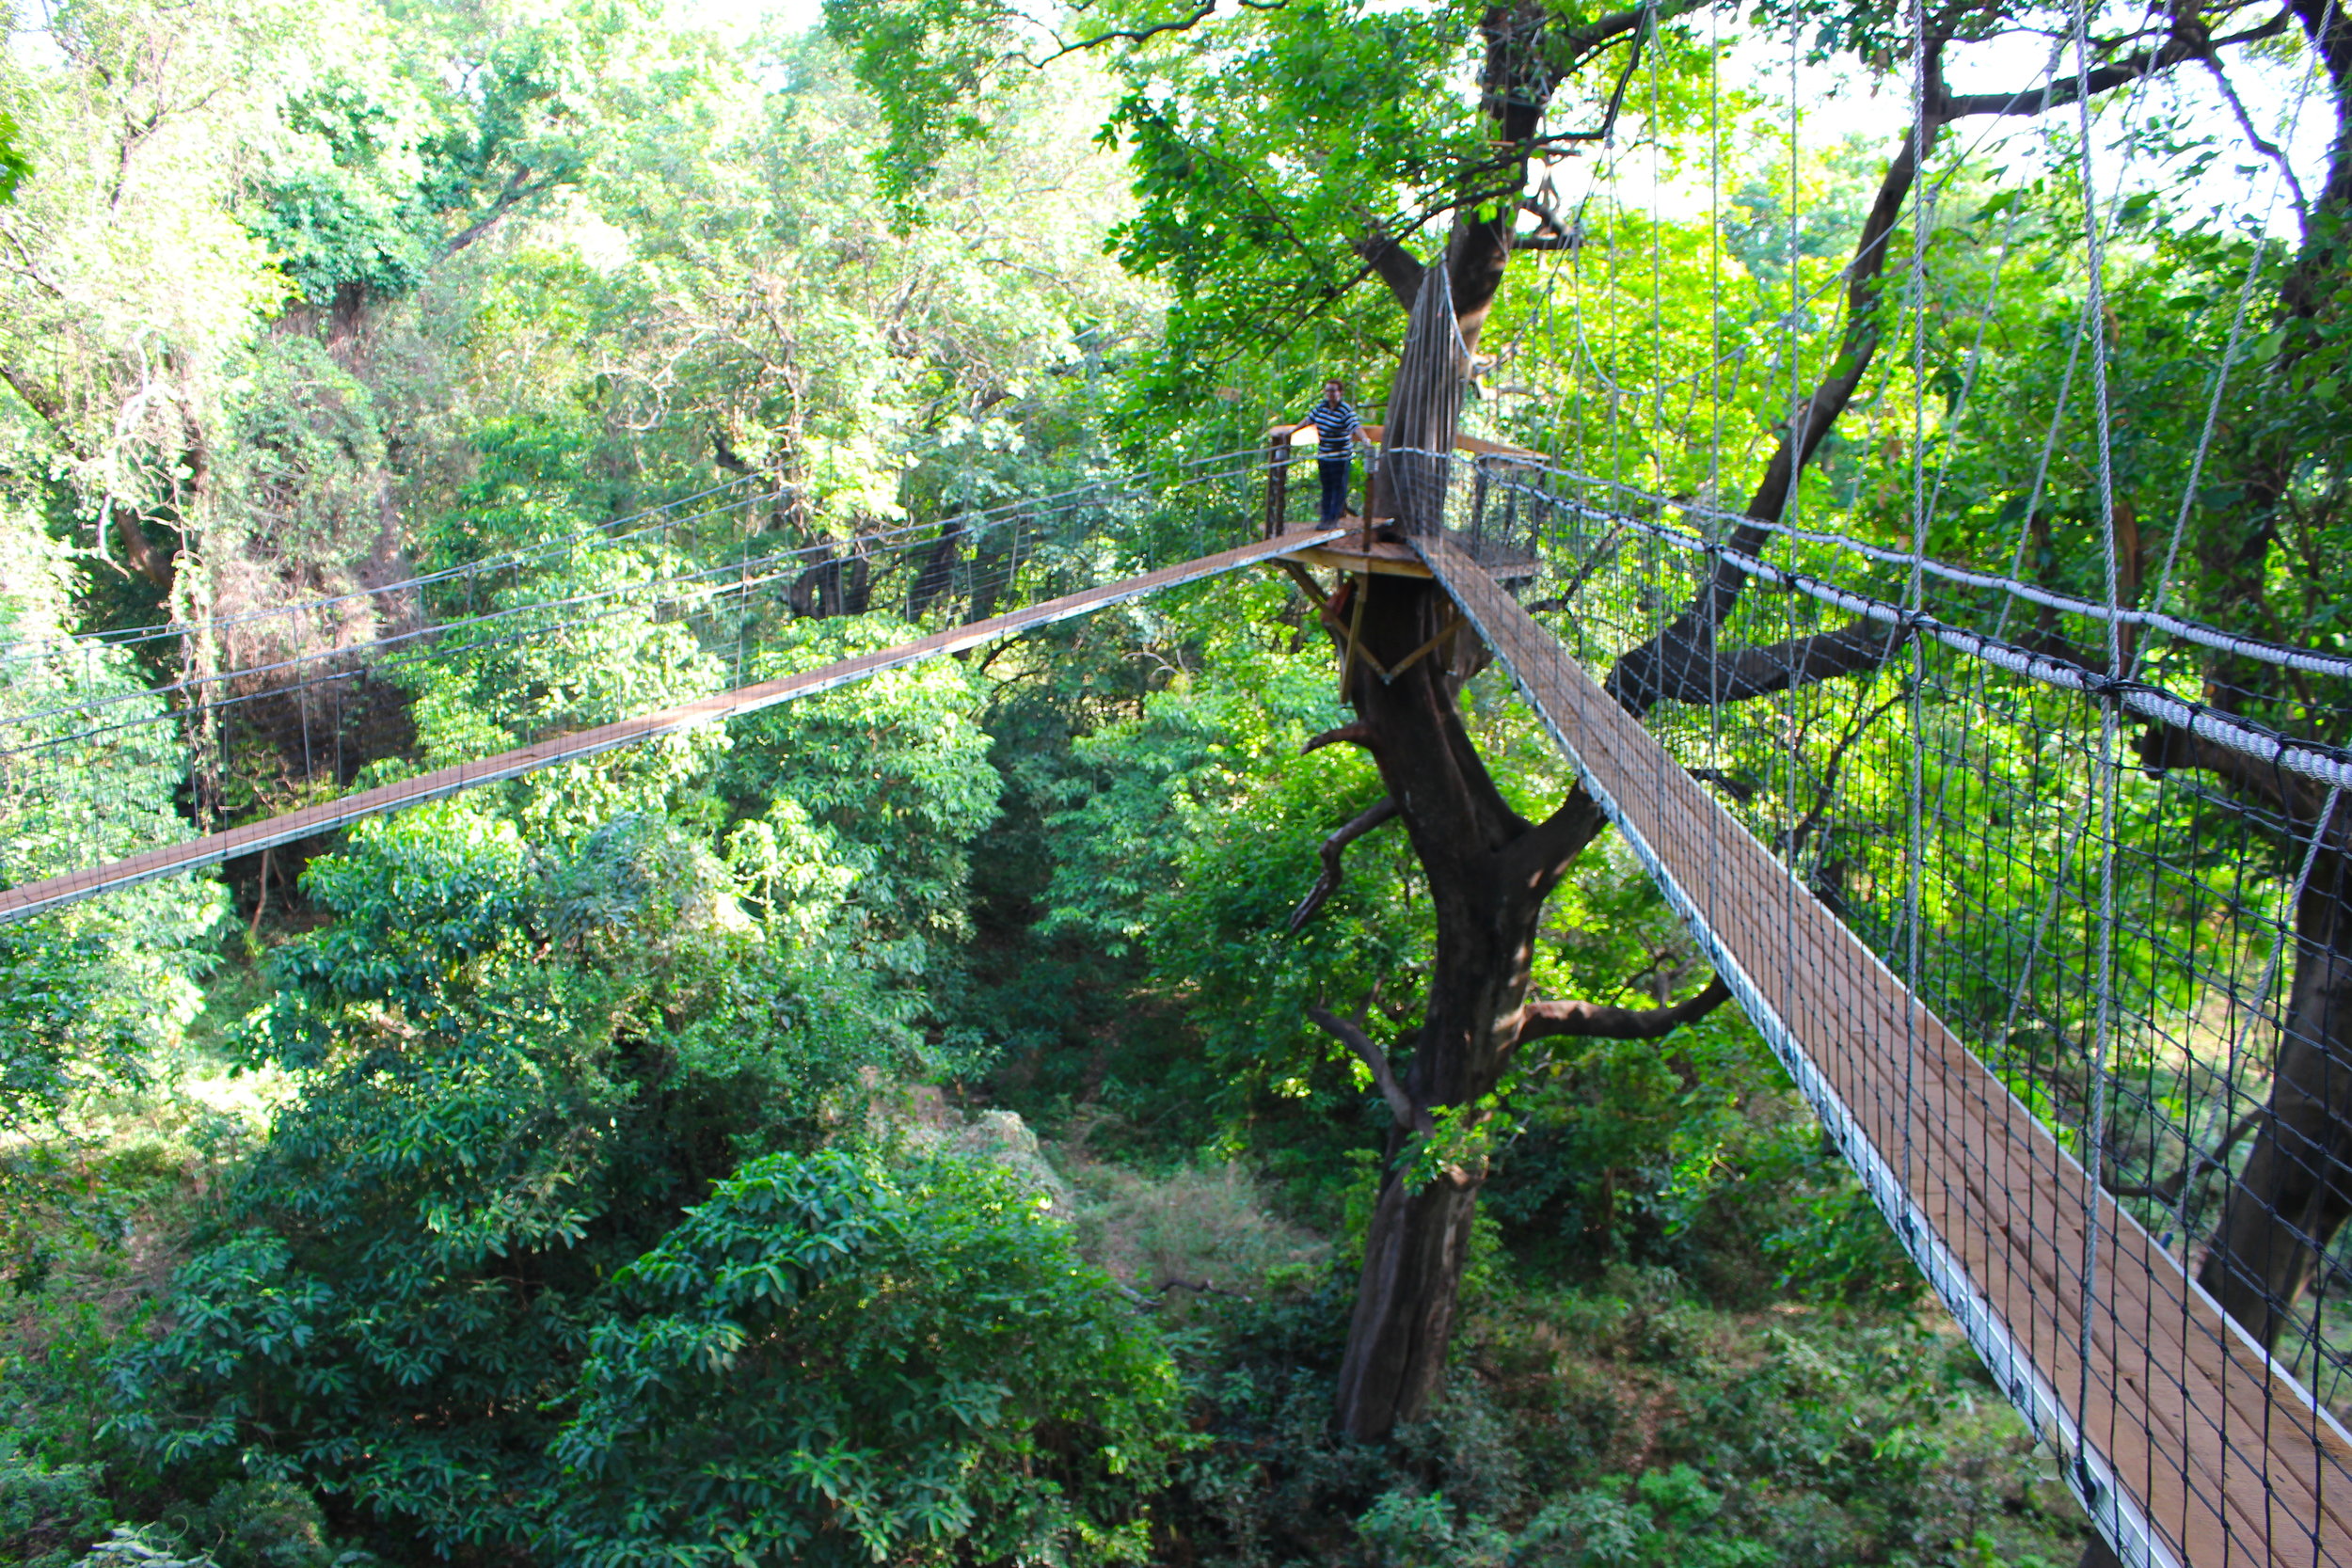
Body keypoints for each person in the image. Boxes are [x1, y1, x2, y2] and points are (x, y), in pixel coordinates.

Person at [1302, 379, 1370, 524]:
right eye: (1328, 391)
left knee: (1338, 489)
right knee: (1326, 487)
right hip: (1324, 455)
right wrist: (1291, 431)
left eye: (1333, 390)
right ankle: (1325, 518)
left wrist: (1365, 439)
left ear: (1340, 392)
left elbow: (1355, 426)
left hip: (1340, 457)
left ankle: (1333, 519)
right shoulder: (1322, 407)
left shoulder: (1345, 410)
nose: (1330, 394)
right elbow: (1309, 420)